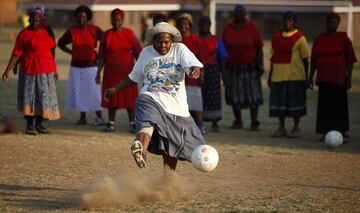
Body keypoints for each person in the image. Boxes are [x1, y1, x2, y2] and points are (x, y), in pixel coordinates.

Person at [104, 22, 205, 170]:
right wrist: (115, 89)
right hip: (150, 96)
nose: (163, 45)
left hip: (176, 107)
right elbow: (134, 77)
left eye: (166, 42)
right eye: (159, 42)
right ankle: (141, 150)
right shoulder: (146, 53)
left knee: (174, 147)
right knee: (147, 116)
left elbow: (191, 65)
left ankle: (167, 181)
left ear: (172, 41)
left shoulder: (180, 49)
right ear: (153, 41)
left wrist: (194, 69)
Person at [2, 9, 60, 135]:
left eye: (37, 21)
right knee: (30, 98)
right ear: (29, 21)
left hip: (46, 72)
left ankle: (39, 124)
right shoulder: (24, 34)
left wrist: (54, 70)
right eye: (32, 20)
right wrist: (8, 70)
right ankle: (29, 125)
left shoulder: (45, 32)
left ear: (40, 21)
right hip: (30, 71)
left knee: (44, 99)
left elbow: (50, 52)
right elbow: (17, 53)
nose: (35, 23)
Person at [308, 12, 357, 142]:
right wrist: (310, 78)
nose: (331, 24)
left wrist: (349, 78)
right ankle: (325, 131)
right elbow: (313, 60)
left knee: (339, 105)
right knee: (325, 106)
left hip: (339, 78)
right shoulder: (320, 38)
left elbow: (350, 60)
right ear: (326, 23)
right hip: (324, 78)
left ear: (338, 24)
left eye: (334, 22)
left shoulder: (344, 39)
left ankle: (341, 131)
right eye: (329, 22)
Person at [96, 9, 142, 133]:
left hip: (128, 74)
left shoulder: (129, 33)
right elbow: (102, 57)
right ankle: (111, 122)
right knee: (112, 97)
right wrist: (98, 73)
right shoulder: (107, 35)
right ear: (111, 20)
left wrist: (141, 70)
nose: (116, 22)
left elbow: (138, 52)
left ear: (122, 20)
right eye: (114, 19)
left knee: (130, 99)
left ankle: (133, 123)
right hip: (111, 72)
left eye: (119, 19)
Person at [58, 5, 105, 126]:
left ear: (87, 18)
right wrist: (71, 52)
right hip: (76, 67)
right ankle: (82, 117)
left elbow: (105, 40)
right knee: (80, 92)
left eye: (83, 17)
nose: (81, 19)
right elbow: (60, 43)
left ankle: (99, 117)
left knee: (94, 92)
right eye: (79, 17)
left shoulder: (94, 29)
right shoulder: (72, 31)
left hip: (91, 66)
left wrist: (99, 54)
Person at [222, 4, 264, 131]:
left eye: (241, 12)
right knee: (234, 94)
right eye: (236, 12)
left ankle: (254, 121)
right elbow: (223, 48)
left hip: (250, 66)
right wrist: (223, 69)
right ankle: (238, 120)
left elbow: (259, 47)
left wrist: (260, 64)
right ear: (234, 14)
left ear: (245, 13)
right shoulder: (228, 28)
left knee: (253, 94)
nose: (239, 14)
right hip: (233, 67)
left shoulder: (252, 27)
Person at [268, 11, 310, 138]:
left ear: (294, 22)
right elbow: (273, 58)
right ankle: (281, 128)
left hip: (295, 76)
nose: (287, 22)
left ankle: (296, 127)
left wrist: (307, 78)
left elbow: (305, 59)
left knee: (295, 103)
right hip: (278, 75)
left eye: (290, 20)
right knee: (280, 104)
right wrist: (270, 76)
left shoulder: (300, 37)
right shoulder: (275, 37)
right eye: (285, 20)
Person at [177, 13, 208, 134]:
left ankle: (200, 124)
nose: (183, 26)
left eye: (186, 24)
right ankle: (185, 126)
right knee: (183, 103)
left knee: (196, 102)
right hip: (179, 77)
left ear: (190, 25)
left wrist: (202, 74)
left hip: (193, 76)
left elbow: (202, 59)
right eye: (181, 24)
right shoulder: (176, 40)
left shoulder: (196, 39)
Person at [198, 16, 228, 132]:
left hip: (213, 71)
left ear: (210, 25)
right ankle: (200, 121)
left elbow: (223, 57)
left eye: (207, 24)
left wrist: (223, 73)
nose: (205, 26)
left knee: (214, 96)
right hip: (199, 71)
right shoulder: (196, 39)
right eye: (202, 24)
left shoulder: (216, 40)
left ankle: (215, 122)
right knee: (201, 96)